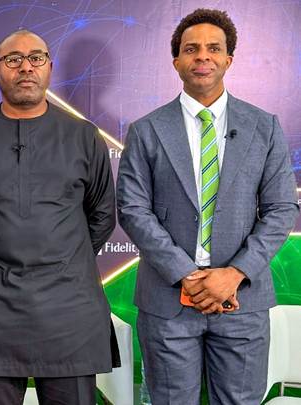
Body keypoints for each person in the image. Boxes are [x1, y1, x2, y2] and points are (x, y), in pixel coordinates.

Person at [117, 8, 299, 404]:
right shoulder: (146, 130)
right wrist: (187, 275)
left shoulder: (264, 126)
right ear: (176, 61)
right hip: (167, 301)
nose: (203, 56)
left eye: (213, 48)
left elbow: (282, 208)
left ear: (228, 59)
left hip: (242, 300)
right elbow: (132, 209)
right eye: (191, 49)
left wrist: (234, 274)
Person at [0, 30, 118, 405]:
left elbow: (102, 214)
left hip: (68, 308)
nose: (26, 68)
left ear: (49, 68)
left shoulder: (84, 136)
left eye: (36, 58)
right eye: (13, 60)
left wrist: (61, 257)